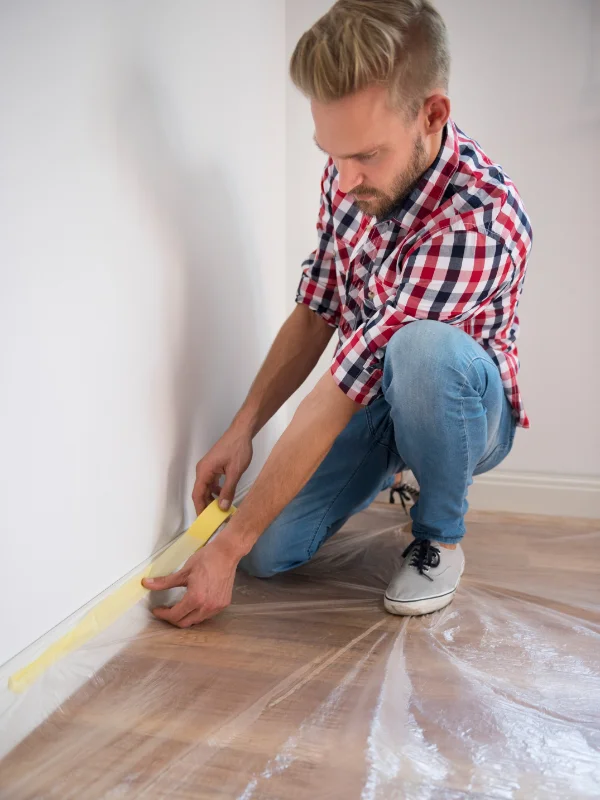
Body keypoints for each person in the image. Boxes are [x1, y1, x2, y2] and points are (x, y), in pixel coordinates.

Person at [143, 0, 532, 627]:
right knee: (269, 556)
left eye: (367, 156)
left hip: (463, 405)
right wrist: (243, 427)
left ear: (432, 115)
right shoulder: (350, 176)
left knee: (421, 350)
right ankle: (391, 466)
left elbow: (342, 387)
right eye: (334, 154)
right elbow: (319, 305)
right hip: (374, 398)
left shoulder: (481, 218)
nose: (344, 180)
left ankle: (440, 533)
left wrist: (227, 542)